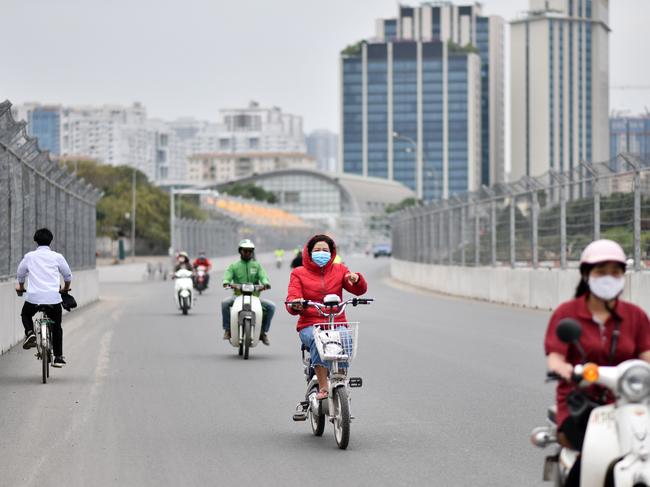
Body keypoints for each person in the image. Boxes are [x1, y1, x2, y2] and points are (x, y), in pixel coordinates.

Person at [544, 239, 650, 486]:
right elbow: (556, 359)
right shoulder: (566, 314)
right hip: (579, 406)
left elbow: (646, 355)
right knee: (594, 453)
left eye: (615, 272)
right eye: (601, 271)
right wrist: (569, 372)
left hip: (629, 402)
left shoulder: (635, 316)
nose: (609, 278)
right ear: (586, 275)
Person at [286, 234, 368, 400]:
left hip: (336, 321)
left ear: (331, 253)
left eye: (325, 250)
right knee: (318, 339)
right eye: (317, 250)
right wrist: (296, 304)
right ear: (309, 252)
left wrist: (357, 279)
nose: (321, 252)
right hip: (309, 324)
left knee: (345, 337)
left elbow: (358, 290)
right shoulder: (298, 273)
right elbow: (292, 298)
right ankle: (323, 387)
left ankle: (341, 378)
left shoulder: (340, 270)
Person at [16, 228, 72, 368]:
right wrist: (65, 288)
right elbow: (67, 276)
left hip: (34, 299)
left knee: (25, 314)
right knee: (57, 326)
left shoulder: (29, 256)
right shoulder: (57, 257)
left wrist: (21, 286)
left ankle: (30, 333)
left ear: (35, 241)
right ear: (50, 241)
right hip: (53, 298)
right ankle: (58, 357)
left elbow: (20, 274)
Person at [221, 239, 275, 345]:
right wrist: (226, 282)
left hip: (254, 297)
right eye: (245, 251)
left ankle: (263, 332)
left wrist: (265, 283)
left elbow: (263, 276)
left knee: (271, 306)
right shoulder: (234, 266)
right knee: (224, 303)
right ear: (240, 251)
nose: (247, 253)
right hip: (237, 296)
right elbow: (227, 276)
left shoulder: (257, 266)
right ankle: (227, 330)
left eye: (250, 251)